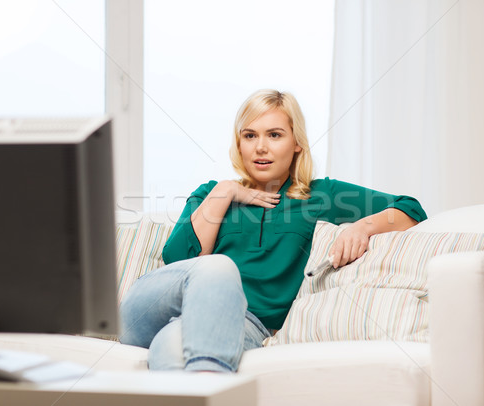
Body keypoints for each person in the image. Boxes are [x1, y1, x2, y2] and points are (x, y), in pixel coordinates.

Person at [119, 89, 427, 373]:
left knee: (170, 351)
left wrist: (361, 227)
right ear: (238, 143)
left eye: (274, 135)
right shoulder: (210, 193)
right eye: (250, 135)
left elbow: (410, 208)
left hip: (242, 322)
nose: (261, 147)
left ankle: (203, 382)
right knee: (216, 267)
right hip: (152, 308)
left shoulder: (321, 195)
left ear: (296, 143)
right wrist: (226, 193)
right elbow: (178, 260)